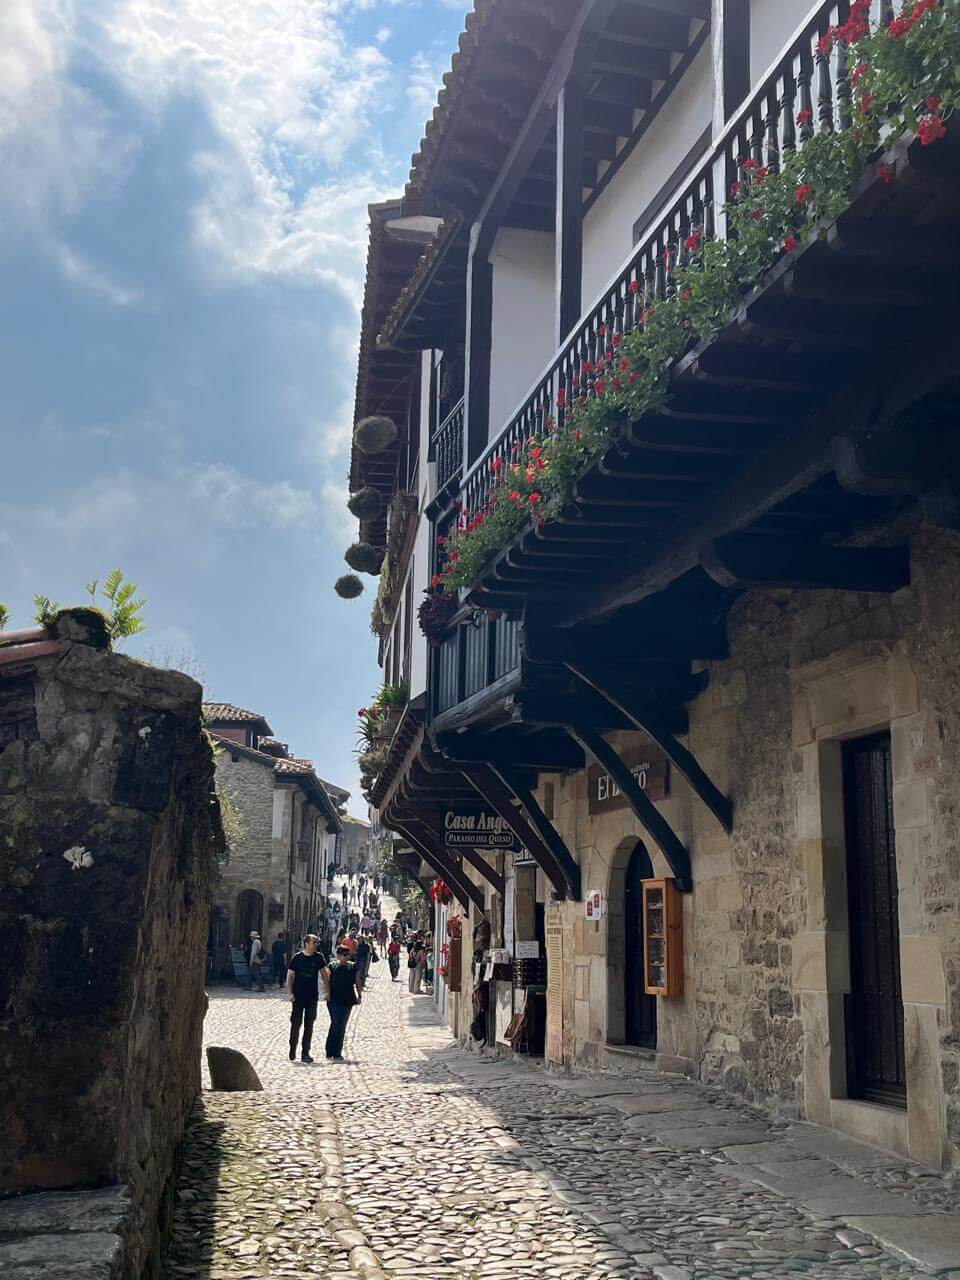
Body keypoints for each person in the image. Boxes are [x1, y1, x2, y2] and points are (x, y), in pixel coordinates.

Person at [285, 933, 326, 1063]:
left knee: (309, 1026)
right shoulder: (297, 958)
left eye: (316, 943)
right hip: (298, 997)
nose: (316, 945)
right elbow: (290, 977)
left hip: (312, 997)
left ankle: (305, 1053)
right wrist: (290, 993)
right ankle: (292, 1049)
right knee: (296, 1025)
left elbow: (324, 975)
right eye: (314, 942)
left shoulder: (318, 958)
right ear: (307, 943)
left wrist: (327, 991)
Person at [322, 945, 362, 1060]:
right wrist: (327, 993)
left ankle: (337, 1052)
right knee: (335, 1023)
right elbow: (326, 981)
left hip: (348, 999)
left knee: (342, 1025)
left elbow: (357, 981)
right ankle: (329, 1051)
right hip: (334, 999)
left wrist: (359, 995)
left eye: (348, 954)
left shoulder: (352, 967)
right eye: (345, 955)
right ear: (339, 955)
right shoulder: (332, 966)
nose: (347, 957)